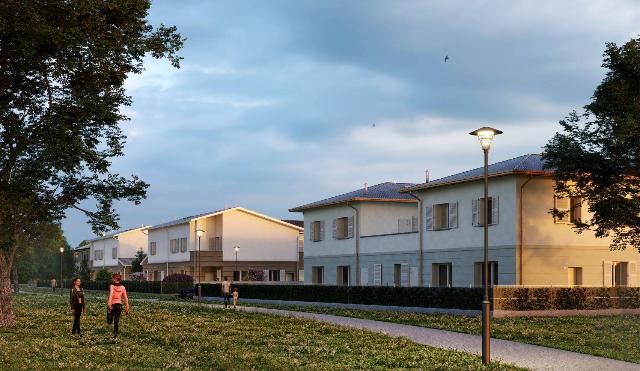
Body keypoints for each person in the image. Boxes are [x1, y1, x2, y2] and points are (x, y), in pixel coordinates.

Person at [107, 273, 129, 339]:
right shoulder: (123, 287)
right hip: (119, 305)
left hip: (113, 304)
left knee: (109, 321)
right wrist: (127, 307)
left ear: (114, 279)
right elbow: (125, 298)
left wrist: (109, 304)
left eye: (112, 278)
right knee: (116, 321)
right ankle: (115, 334)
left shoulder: (112, 286)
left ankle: (109, 318)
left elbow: (111, 295)